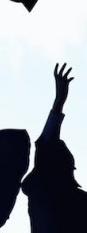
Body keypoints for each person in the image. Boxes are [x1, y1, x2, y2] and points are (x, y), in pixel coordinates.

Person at [22, 63, 87, 233]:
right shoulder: (75, 201)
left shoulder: (40, 195)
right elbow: (46, 144)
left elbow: (46, 144)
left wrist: (59, 101)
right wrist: (58, 102)